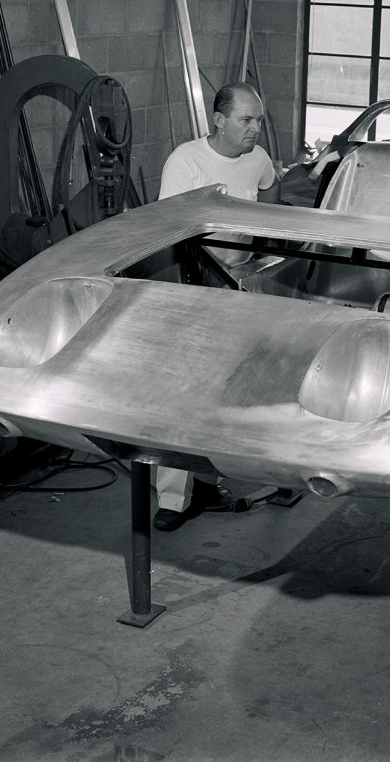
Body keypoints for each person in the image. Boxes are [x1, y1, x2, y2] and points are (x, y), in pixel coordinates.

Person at [154, 81, 279, 532]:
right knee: (182, 393)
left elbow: (271, 202)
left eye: (259, 120)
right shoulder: (185, 162)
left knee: (243, 390)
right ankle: (173, 497)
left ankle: (235, 477)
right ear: (219, 120)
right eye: (247, 120)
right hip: (195, 287)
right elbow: (169, 232)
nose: (255, 129)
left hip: (243, 286)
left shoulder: (259, 160)